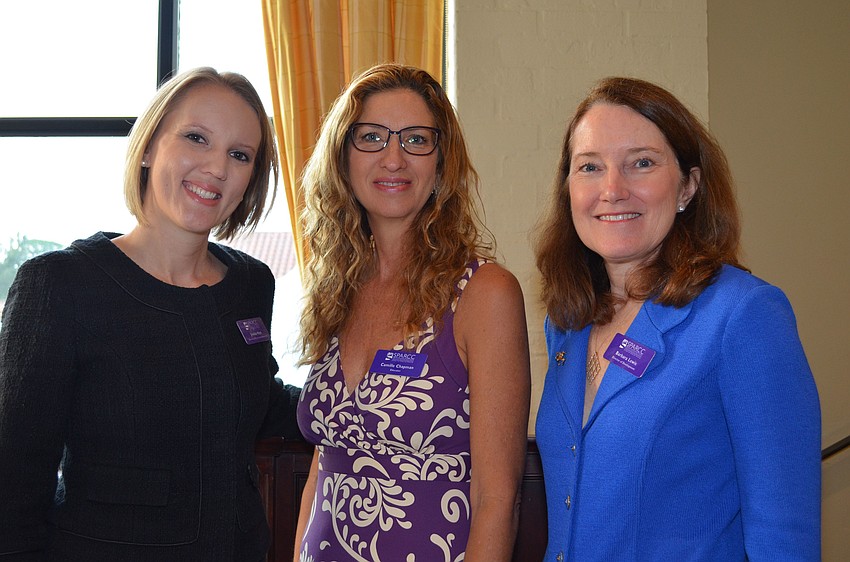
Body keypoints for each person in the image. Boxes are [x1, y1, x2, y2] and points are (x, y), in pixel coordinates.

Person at [0, 67, 300, 561]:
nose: (217, 168)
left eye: (239, 154)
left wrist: (354, 402)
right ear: (147, 147)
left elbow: (254, 399)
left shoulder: (251, 284)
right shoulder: (60, 285)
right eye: (196, 138)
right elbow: (13, 489)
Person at [533, 76, 821, 561]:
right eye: (590, 167)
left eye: (641, 163)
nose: (612, 190)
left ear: (688, 185)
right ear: (568, 189)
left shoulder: (744, 316)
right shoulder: (568, 322)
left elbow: (784, 536)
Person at [293, 63, 531, 561]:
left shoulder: (484, 294)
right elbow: (325, 462)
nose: (393, 158)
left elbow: (497, 500)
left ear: (442, 164)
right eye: (371, 137)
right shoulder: (336, 287)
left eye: (416, 140)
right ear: (342, 157)